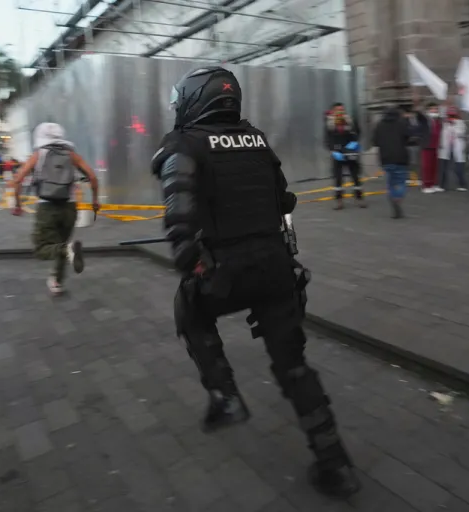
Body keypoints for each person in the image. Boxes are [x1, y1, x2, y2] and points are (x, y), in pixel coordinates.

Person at [151, 66, 360, 497]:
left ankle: (224, 395)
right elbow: (285, 199)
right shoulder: (257, 140)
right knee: (294, 366)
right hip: (275, 269)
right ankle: (335, 463)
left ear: (195, 100)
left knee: (189, 309)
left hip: (225, 273)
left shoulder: (185, 144)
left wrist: (191, 263)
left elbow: (179, 219)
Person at [13, 123, 99, 296]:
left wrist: (18, 204)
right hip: (69, 207)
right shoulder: (72, 155)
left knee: (42, 248)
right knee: (63, 243)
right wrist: (95, 200)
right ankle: (57, 282)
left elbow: (18, 179)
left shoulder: (39, 154)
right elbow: (92, 176)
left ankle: (66, 254)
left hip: (47, 207)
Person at [373, 106, 413, 218]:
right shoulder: (402, 123)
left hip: (385, 158)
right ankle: (398, 198)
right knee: (400, 182)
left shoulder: (379, 125)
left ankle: (392, 198)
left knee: (390, 182)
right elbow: (409, 137)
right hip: (401, 157)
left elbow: (375, 142)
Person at [325, 103, 366, 209]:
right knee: (338, 178)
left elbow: (357, 133)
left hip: (350, 152)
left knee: (355, 176)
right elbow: (327, 139)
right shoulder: (329, 123)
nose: (340, 112)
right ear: (334, 111)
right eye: (338, 110)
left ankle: (359, 198)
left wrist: (354, 143)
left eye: (342, 109)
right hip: (337, 153)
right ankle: (339, 201)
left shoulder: (350, 120)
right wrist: (332, 150)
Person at [415, 101, 443, 193]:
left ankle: (433, 184)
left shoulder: (438, 120)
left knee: (434, 167)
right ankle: (426, 185)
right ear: (428, 110)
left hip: (436, 146)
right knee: (427, 166)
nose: (435, 110)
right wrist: (418, 107)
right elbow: (419, 116)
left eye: (436, 109)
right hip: (427, 145)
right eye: (432, 109)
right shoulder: (425, 119)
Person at [437, 107, 468, 191]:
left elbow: (461, 133)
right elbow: (442, 135)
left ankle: (463, 184)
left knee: (458, 168)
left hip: (457, 147)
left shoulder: (460, 123)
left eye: (453, 116)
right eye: (450, 116)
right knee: (443, 168)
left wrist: (453, 125)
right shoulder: (444, 123)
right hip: (446, 148)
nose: (451, 117)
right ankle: (442, 185)